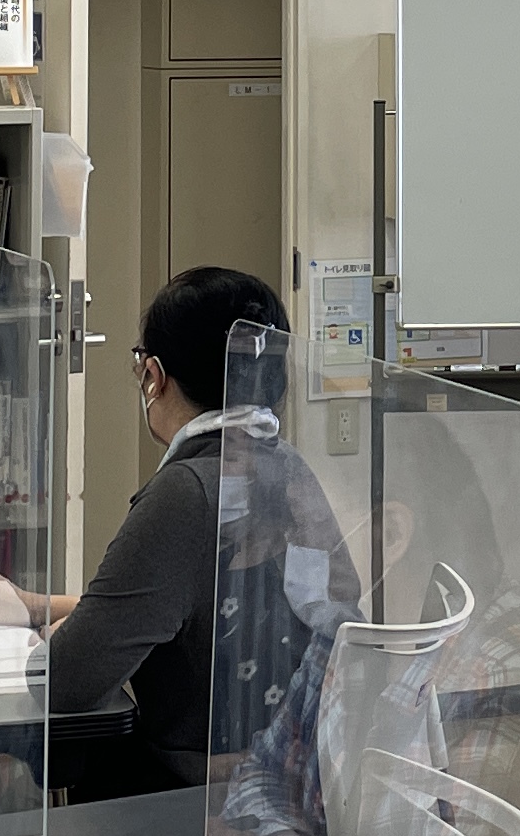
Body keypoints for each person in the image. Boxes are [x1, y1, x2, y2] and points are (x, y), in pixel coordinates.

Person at [27, 265, 355, 795]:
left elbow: (64, 681)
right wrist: (38, 607)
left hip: (202, 798)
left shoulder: (187, 493)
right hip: (298, 780)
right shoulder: (289, 468)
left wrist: (50, 638)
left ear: (153, 376)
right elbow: (193, 611)